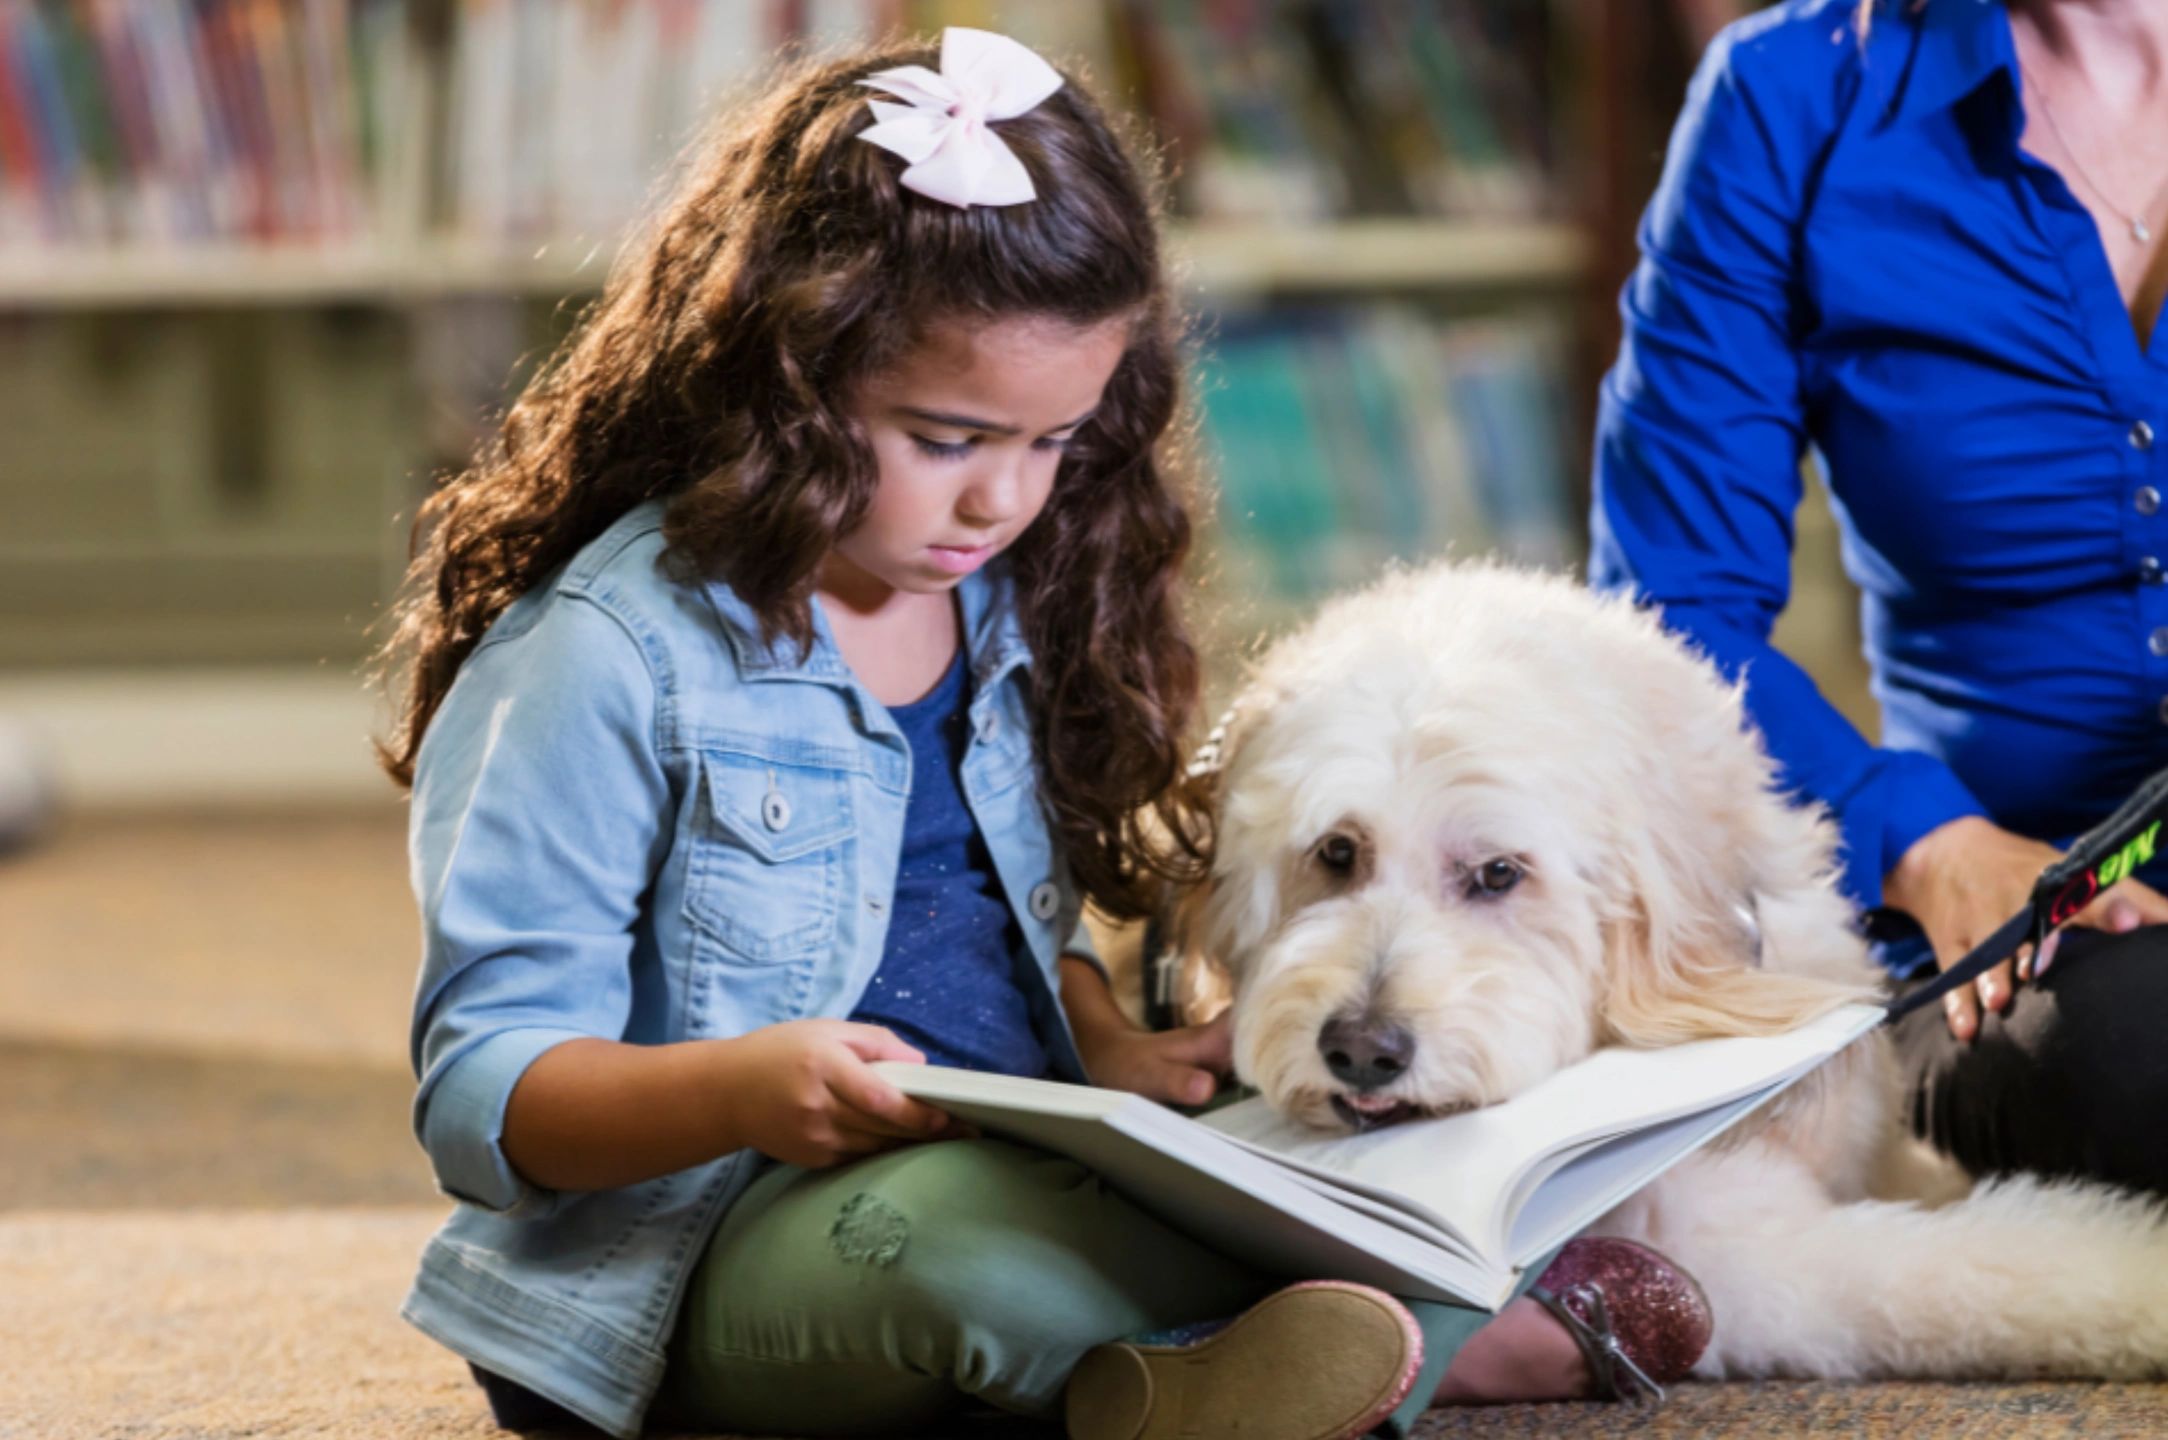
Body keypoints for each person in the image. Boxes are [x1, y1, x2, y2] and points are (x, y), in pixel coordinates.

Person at [373, 26, 1709, 1440]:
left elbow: (989, 921)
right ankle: (1390, 1338)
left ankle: (1207, 1367)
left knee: (1298, 1146)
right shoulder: (604, 655)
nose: (1000, 501)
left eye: (1052, 440)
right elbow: (485, 1094)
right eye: (947, 439)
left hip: (1014, 1142)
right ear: (787, 374)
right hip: (704, 1250)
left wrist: (1107, 1049)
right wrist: (743, 1091)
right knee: (965, 1253)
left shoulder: (1001, 598)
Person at [1591, 0, 2168, 1197]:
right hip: (2017, 923)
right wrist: (1919, 840)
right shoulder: (1788, 98)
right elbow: (1667, 611)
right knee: (2122, 1056)